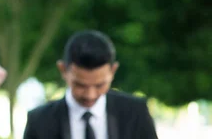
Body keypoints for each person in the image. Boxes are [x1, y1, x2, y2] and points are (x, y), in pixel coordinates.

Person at [23, 30, 158, 139]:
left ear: (113, 71)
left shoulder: (136, 113)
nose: (90, 95)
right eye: (80, 85)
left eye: (99, 85)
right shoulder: (39, 121)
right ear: (63, 70)